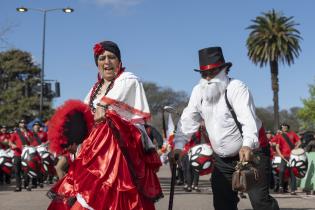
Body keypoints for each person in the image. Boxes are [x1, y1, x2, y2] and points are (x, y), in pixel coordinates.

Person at [47, 40, 163, 210]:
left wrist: (103, 106)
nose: (107, 62)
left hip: (119, 149)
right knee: (83, 187)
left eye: (111, 57)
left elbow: (112, 100)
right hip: (94, 148)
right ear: (97, 64)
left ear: (120, 61)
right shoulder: (96, 87)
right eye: (102, 58)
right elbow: (86, 114)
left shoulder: (127, 79)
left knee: (117, 191)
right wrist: (73, 140)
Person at [171, 46, 279, 210]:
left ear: (224, 70)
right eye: (204, 74)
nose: (208, 78)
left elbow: (247, 119)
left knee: (260, 202)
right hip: (222, 160)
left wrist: (248, 144)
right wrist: (178, 146)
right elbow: (187, 120)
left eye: (212, 72)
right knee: (222, 204)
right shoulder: (198, 92)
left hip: (251, 155)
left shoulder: (236, 87)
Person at [274, 123, 301, 195]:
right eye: (283, 127)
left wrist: (295, 150)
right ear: (281, 128)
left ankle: (293, 189)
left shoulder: (293, 134)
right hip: (284, 156)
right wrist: (280, 155)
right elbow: (277, 147)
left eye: (286, 126)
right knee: (282, 171)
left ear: (288, 127)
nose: (285, 128)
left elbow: (299, 142)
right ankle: (281, 187)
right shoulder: (279, 136)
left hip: (292, 156)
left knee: (292, 172)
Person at [9, 119, 32, 191]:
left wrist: (28, 137)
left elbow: (32, 142)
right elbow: (10, 142)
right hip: (17, 153)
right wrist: (13, 145)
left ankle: (27, 185)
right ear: (19, 124)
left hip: (26, 154)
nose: (23, 124)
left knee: (26, 171)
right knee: (17, 171)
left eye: (24, 122)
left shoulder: (29, 132)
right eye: (21, 123)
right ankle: (18, 186)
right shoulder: (16, 133)